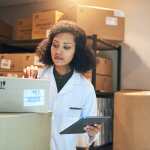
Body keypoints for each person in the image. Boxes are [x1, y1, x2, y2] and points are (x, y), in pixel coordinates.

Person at [24, 20, 100, 150]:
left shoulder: (86, 88)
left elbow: (89, 133)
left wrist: (92, 133)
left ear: (77, 51)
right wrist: (26, 84)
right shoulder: (37, 77)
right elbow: (23, 116)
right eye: (55, 45)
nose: (58, 51)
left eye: (66, 47)